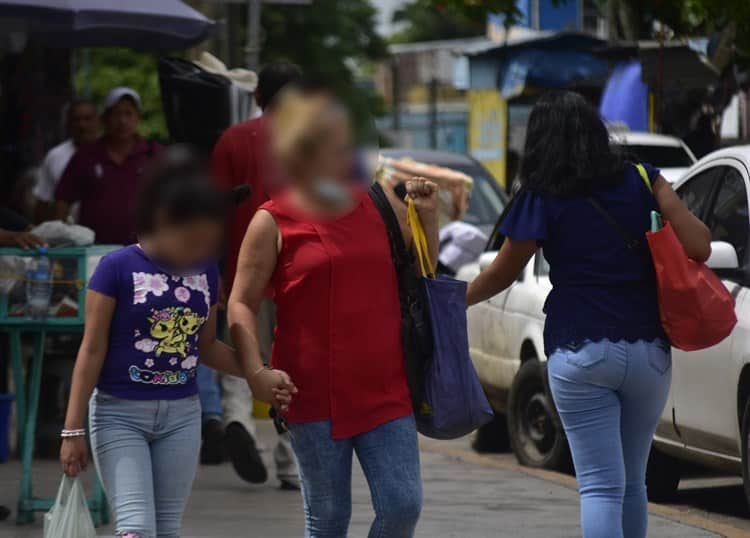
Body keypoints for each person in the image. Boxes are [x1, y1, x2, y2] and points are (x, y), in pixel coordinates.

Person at [467, 91, 711, 538]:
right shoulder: (642, 177)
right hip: (648, 352)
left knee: (599, 486)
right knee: (633, 482)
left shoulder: (541, 193)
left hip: (581, 350)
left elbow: (503, 271)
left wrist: (454, 298)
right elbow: (701, 246)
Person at [228, 89, 437, 538]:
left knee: (403, 506)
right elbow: (241, 302)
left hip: (386, 388)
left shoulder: (382, 204)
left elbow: (423, 276)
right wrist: (255, 371)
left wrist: (429, 220)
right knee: (327, 520)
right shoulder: (273, 218)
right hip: (310, 392)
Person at [59, 148, 295, 538]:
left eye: (207, 244)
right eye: (191, 241)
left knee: (167, 529)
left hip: (181, 418)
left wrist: (259, 373)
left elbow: (208, 347)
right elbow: (92, 350)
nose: (199, 253)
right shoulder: (115, 269)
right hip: (119, 416)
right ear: (162, 221)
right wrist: (72, 430)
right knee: (135, 527)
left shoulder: (205, 272)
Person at [207, 62, 303, 487]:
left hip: (241, 274)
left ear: (258, 97)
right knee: (293, 366)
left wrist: (215, 273)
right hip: (297, 277)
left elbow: (212, 213)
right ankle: (290, 460)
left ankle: (238, 421)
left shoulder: (231, 139)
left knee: (243, 353)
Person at [55, 87, 160, 245]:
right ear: (104, 119)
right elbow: (62, 200)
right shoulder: (86, 155)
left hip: (145, 251)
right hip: (94, 254)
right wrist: (57, 242)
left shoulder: (154, 154)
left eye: (128, 113)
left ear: (138, 118)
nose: (122, 121)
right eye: (116, 114)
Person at [33, 98, 99, 222]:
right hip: (69, 235)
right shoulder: (55, 156)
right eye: (76, 119)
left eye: (88, 119)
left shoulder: (111, 153)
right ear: (68, 123)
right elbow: (43, 202)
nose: (82, 125)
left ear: (98, 120)